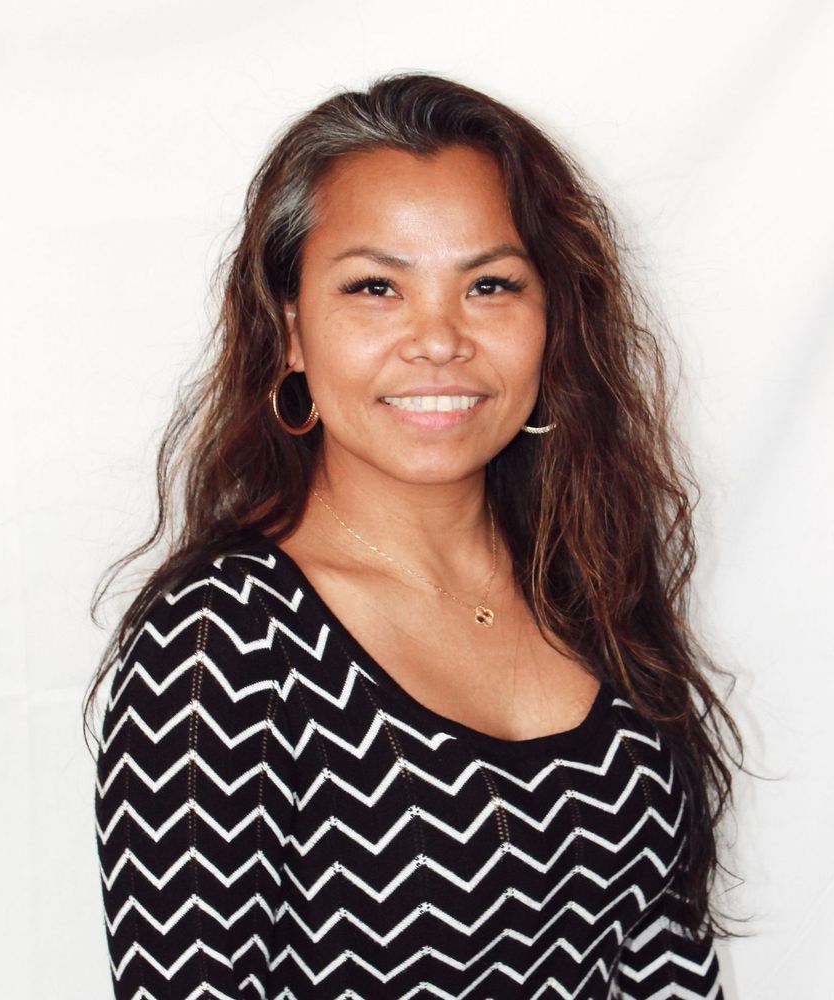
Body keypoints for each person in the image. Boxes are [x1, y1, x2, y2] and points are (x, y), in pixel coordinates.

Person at [86, 72, 743, 999]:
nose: (439, 339)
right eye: (375, 287)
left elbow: (667, 963)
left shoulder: (581, 581)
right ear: (291, 331)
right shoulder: (222, 638)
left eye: (489, 284)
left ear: (552, 320)